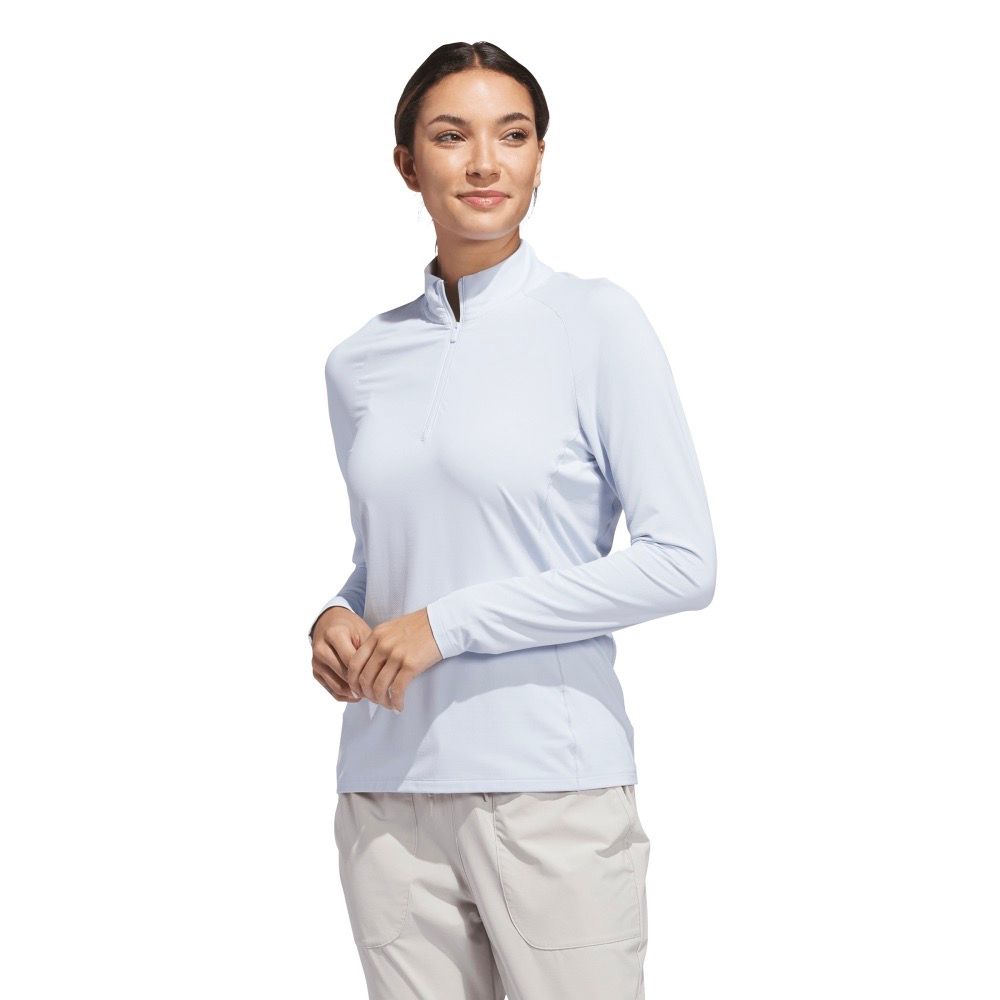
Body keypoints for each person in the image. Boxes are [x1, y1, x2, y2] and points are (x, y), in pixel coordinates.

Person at [309, 40, 717, 1000]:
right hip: (386, 799)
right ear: (408, 163)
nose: (485, 163)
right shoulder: (358, 361)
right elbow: (391, 557)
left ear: (539, 157)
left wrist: (447, 627)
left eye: (514, 135)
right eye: (451, 136)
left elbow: (682, 562)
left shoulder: (596, 322)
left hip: (549, 788)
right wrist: (338, 614)